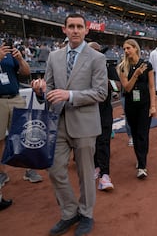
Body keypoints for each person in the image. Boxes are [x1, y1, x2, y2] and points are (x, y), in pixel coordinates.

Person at [31, 13, 108, 236]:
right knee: (54, 169)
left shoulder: (96, 58)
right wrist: (40, 90)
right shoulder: (54, 57)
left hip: (84, 123)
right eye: (71, 26)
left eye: (79, 27)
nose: (75, 30)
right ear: (64, 30)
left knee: (86, 174)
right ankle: (69, 212)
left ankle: (86, 214)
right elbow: (49, 89)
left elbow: (101, 93)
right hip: (58, 123)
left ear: (86, 30)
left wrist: (70, 95)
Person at [0, 39, 43, 190]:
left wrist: (19, 58)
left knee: (24, 136)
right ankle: (2, 173)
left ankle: (29, 170)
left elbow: (26, 72)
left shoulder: (8, 54)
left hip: (15, 97)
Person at [117, 39, 156, 179]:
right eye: (124, 49)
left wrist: (153, 106)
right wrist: (135, 75)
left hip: (145, 104)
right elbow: (127, 88)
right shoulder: (122, 67)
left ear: (135, 48)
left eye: (128, 48)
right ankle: (140, 158)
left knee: (143, 134)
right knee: (134, 133)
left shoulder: (147, 65)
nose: (126, 51)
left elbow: (152, 87)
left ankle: (142, 166)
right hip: (131, 104)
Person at [88, 42, 116, 191]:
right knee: (91, 142)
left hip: (104, 111)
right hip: (87, 111)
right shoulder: (82, 69)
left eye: (97, 52)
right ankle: (95, 167)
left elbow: (118, 85)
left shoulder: (109, 67)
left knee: (104, 141)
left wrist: (105, 81)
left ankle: (105, 175)